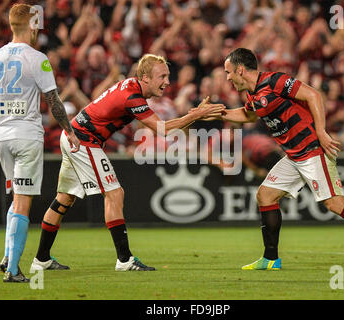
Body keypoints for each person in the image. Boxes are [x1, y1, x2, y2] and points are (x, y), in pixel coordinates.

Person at [30, 53, 224, 272]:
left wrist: (192, 115)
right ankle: (124, 260)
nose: (167, 82)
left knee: (64, 198)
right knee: (115, 193)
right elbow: (162, 129)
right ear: (145, 77)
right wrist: (196, 115)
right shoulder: (132, 96)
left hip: (74, 135)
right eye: (162, 76)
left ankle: (41, 258)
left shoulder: (130, 86)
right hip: (83, 140)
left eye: (168, 76)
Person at [211, 47, 344, 272]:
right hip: (293, 155)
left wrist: (321, 131)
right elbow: (248, 115)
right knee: (266, 195)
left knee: (334, 203)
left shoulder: (275, 81)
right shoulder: (252, 94)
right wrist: (214, 112)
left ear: (240, 69)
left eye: (229, 72)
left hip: (312, 149)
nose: (228, 77)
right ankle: (270, 259)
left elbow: (313, 94)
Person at [0, 3, 80, 282]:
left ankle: (8, 254)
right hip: (27, 136)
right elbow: (53, 101)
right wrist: (70, 131)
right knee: (23, 202)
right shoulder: (38, 58)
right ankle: (13, 270)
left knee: (16, 198)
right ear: (31, 26)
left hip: (2, 138)